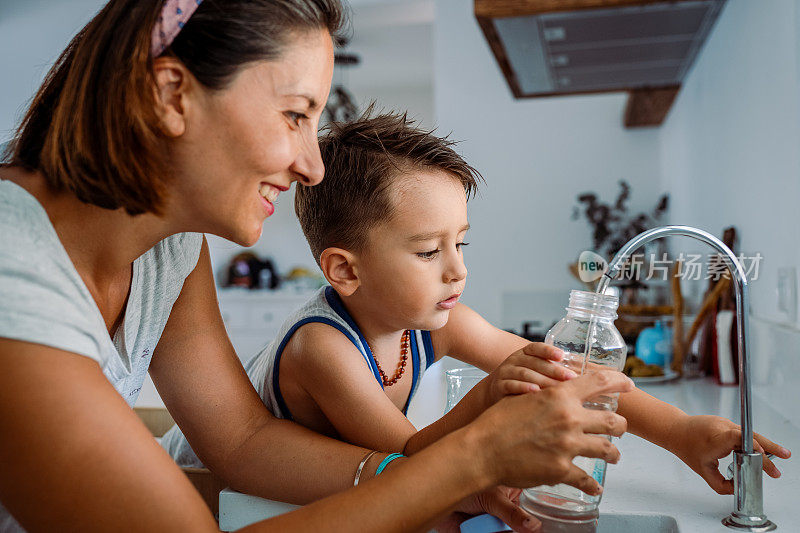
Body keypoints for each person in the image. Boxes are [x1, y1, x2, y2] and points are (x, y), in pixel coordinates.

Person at [0, 1, 637, 531]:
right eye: (296, 115)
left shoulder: (169, 248)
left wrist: (411, 476)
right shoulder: (11, 261)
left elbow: (245, 442)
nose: (313, 165)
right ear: (172, 94)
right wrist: (470, 459)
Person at [164, 110, 791, 505]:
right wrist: (488, 400)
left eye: (460, 243)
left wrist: (682, 432)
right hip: (194, 483)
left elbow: (567, 372)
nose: (458, 268)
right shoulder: (324, 351)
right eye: (428, 250)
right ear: (344, 270)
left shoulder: (437, 321)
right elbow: (415, 464)